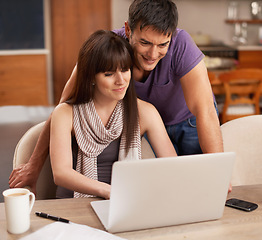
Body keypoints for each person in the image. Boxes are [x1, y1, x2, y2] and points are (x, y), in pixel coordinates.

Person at [9, 0, 225, 194]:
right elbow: (65, 106)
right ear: (128, 30)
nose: (152, 54)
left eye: (162, 45)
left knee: (195, 186)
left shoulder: (181, 46)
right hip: (146, 125)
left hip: (189, 120)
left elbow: (205, 110)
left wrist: (218, 173)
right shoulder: (107, 52)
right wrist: (33, 165)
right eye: (145, 43)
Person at [50, 30, 177, 199]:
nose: (121, 80)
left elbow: (173, 166)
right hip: (73, 205)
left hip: (124, 203)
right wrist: (107, 191)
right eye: (109, 74)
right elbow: (61, 173)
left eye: (125, 70)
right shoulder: (65, 114)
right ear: (91, 77)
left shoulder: (145, 112)